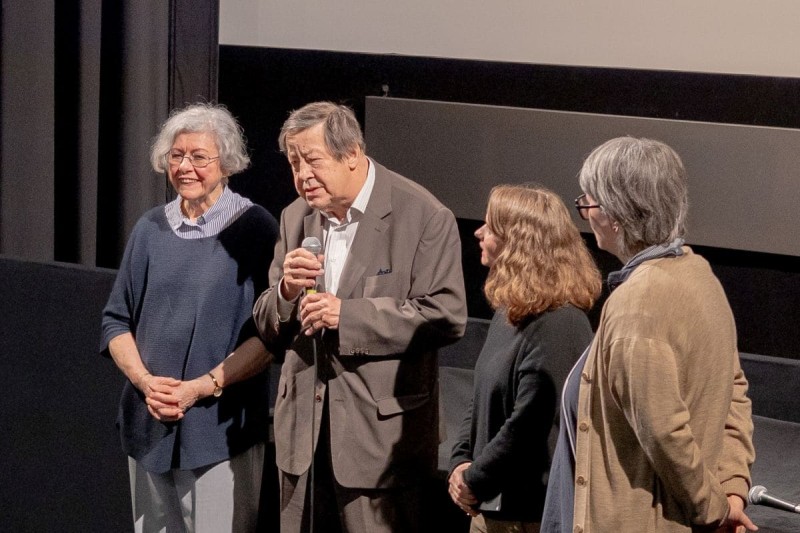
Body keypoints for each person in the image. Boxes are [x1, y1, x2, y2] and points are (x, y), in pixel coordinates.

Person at [252, 101, 467, 532]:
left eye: (311, 160)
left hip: (380, 445)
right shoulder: (296, 217)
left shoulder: (422, 215)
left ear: (351, 154)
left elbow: (445, 313)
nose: (301, 175)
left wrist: (345, 315)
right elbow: (267, 325)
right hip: (302, 441)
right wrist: (286, 292)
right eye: (294, 163)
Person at [541, 136, 756, 533]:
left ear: (617, 214)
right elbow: (735, 391)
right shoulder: (699, 274)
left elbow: (665, 433)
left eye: (588, 202)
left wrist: (715, 508)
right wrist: (732, 487)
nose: (584, 213)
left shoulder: (636, 306)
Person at [100, 103, 279, 532]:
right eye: (177, 156)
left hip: (217, 434)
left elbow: (270, 336)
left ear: (228, 163)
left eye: (200, 156)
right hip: (149, 425)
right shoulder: (149, 229)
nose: (185, 166)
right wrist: (146, 383)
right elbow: (115, 321)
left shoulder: (256, 229)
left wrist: (201, 387)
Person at [447, 184, 602, 533]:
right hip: (491, 506)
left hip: (527, 516)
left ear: (517, 242)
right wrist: (460, 463)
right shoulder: (510, 310)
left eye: (490, 226)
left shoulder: (561, 322)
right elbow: (479, 395)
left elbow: (529, 424)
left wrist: (475, 479)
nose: (478, 232)